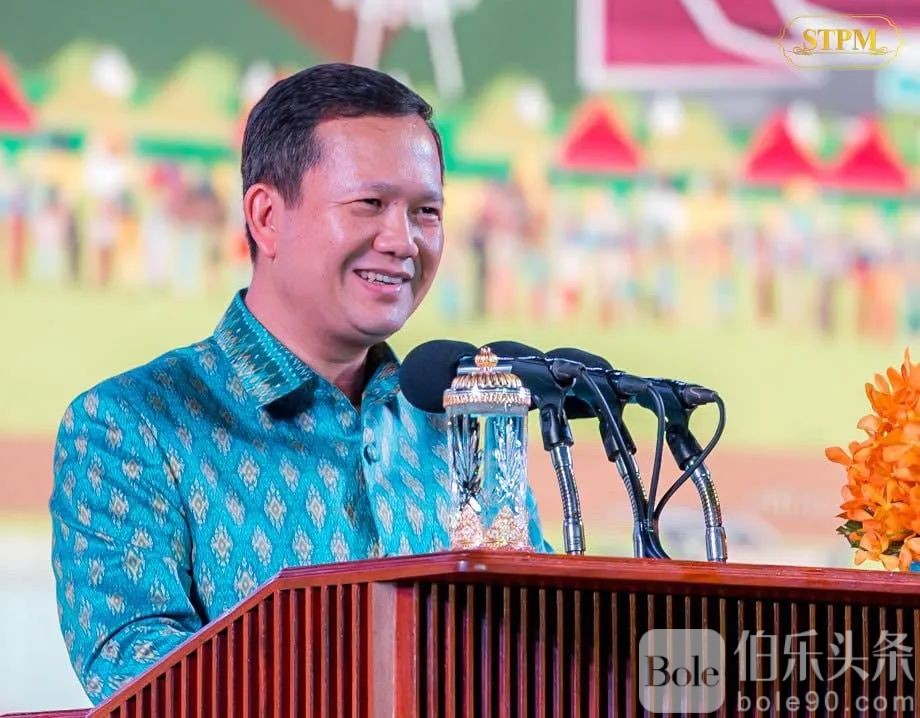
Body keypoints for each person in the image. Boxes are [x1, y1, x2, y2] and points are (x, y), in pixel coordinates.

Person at [49, 64, 550, 703]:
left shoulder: (460, 427)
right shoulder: (130, 425)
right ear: (266, 217)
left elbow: (545, 643)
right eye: (370, 204)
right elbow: (144, 682)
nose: (403, 241)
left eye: (426, 211)